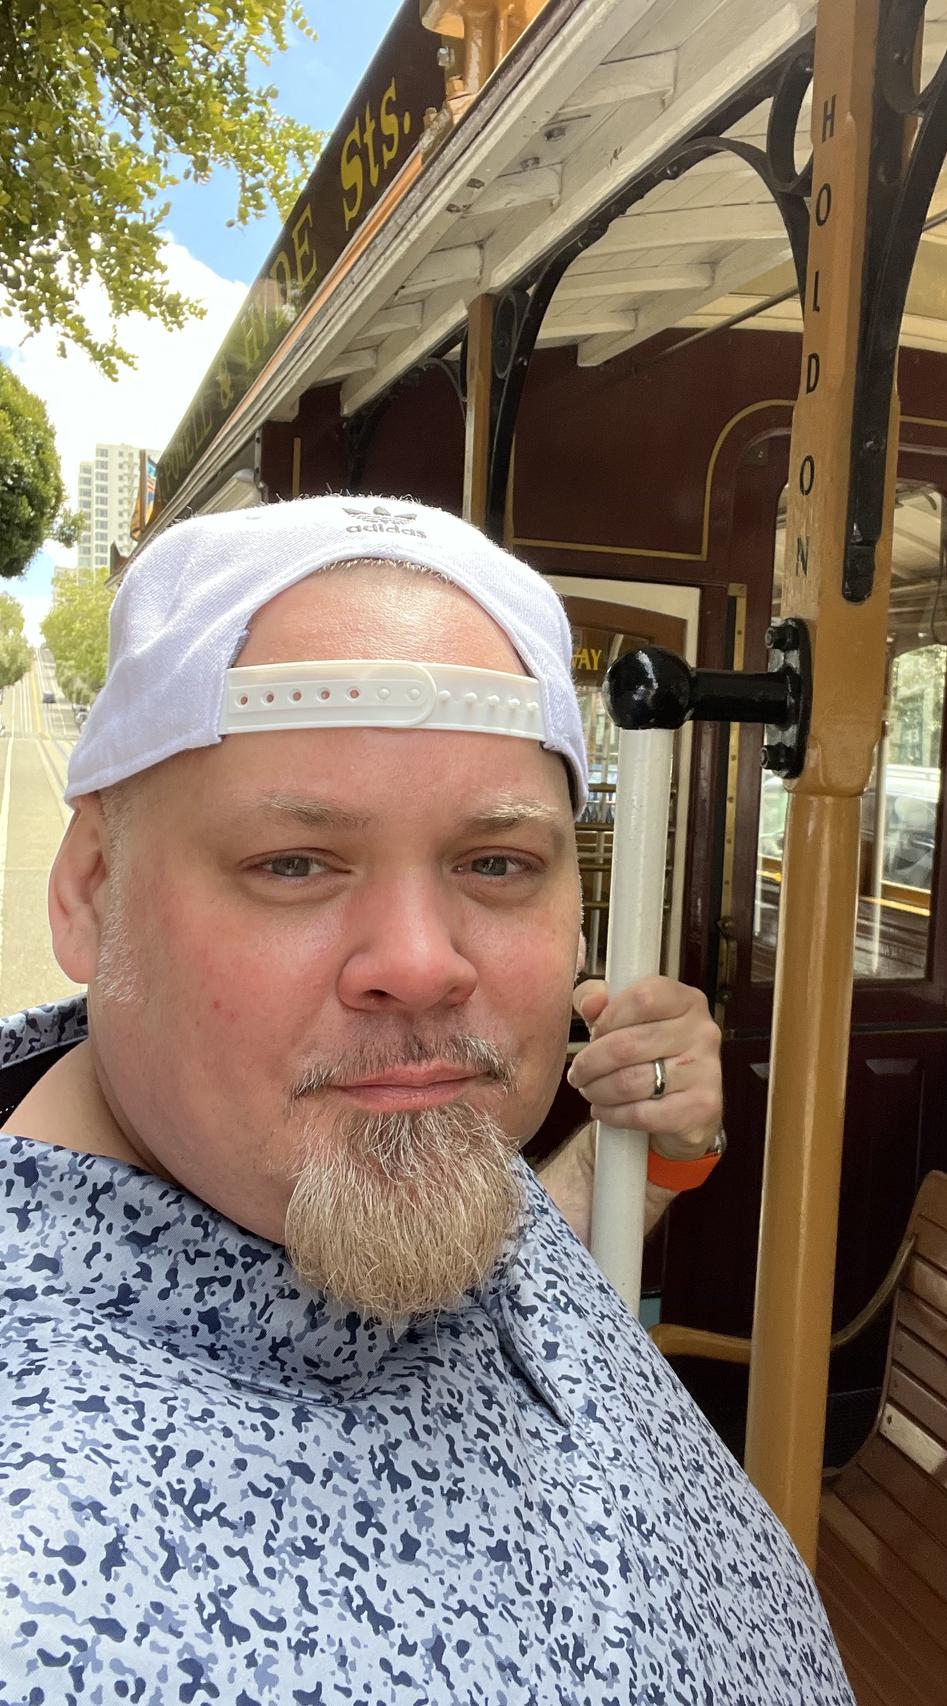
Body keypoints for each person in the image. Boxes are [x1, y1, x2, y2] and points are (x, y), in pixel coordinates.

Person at [0, 496, 854, 1706]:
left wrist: (650, 1155)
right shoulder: (45, 1591)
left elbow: (502, 1264)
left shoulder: (342, 1146)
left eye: (495, 862)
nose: (421, 962)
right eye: (294, 862)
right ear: (91, 889)